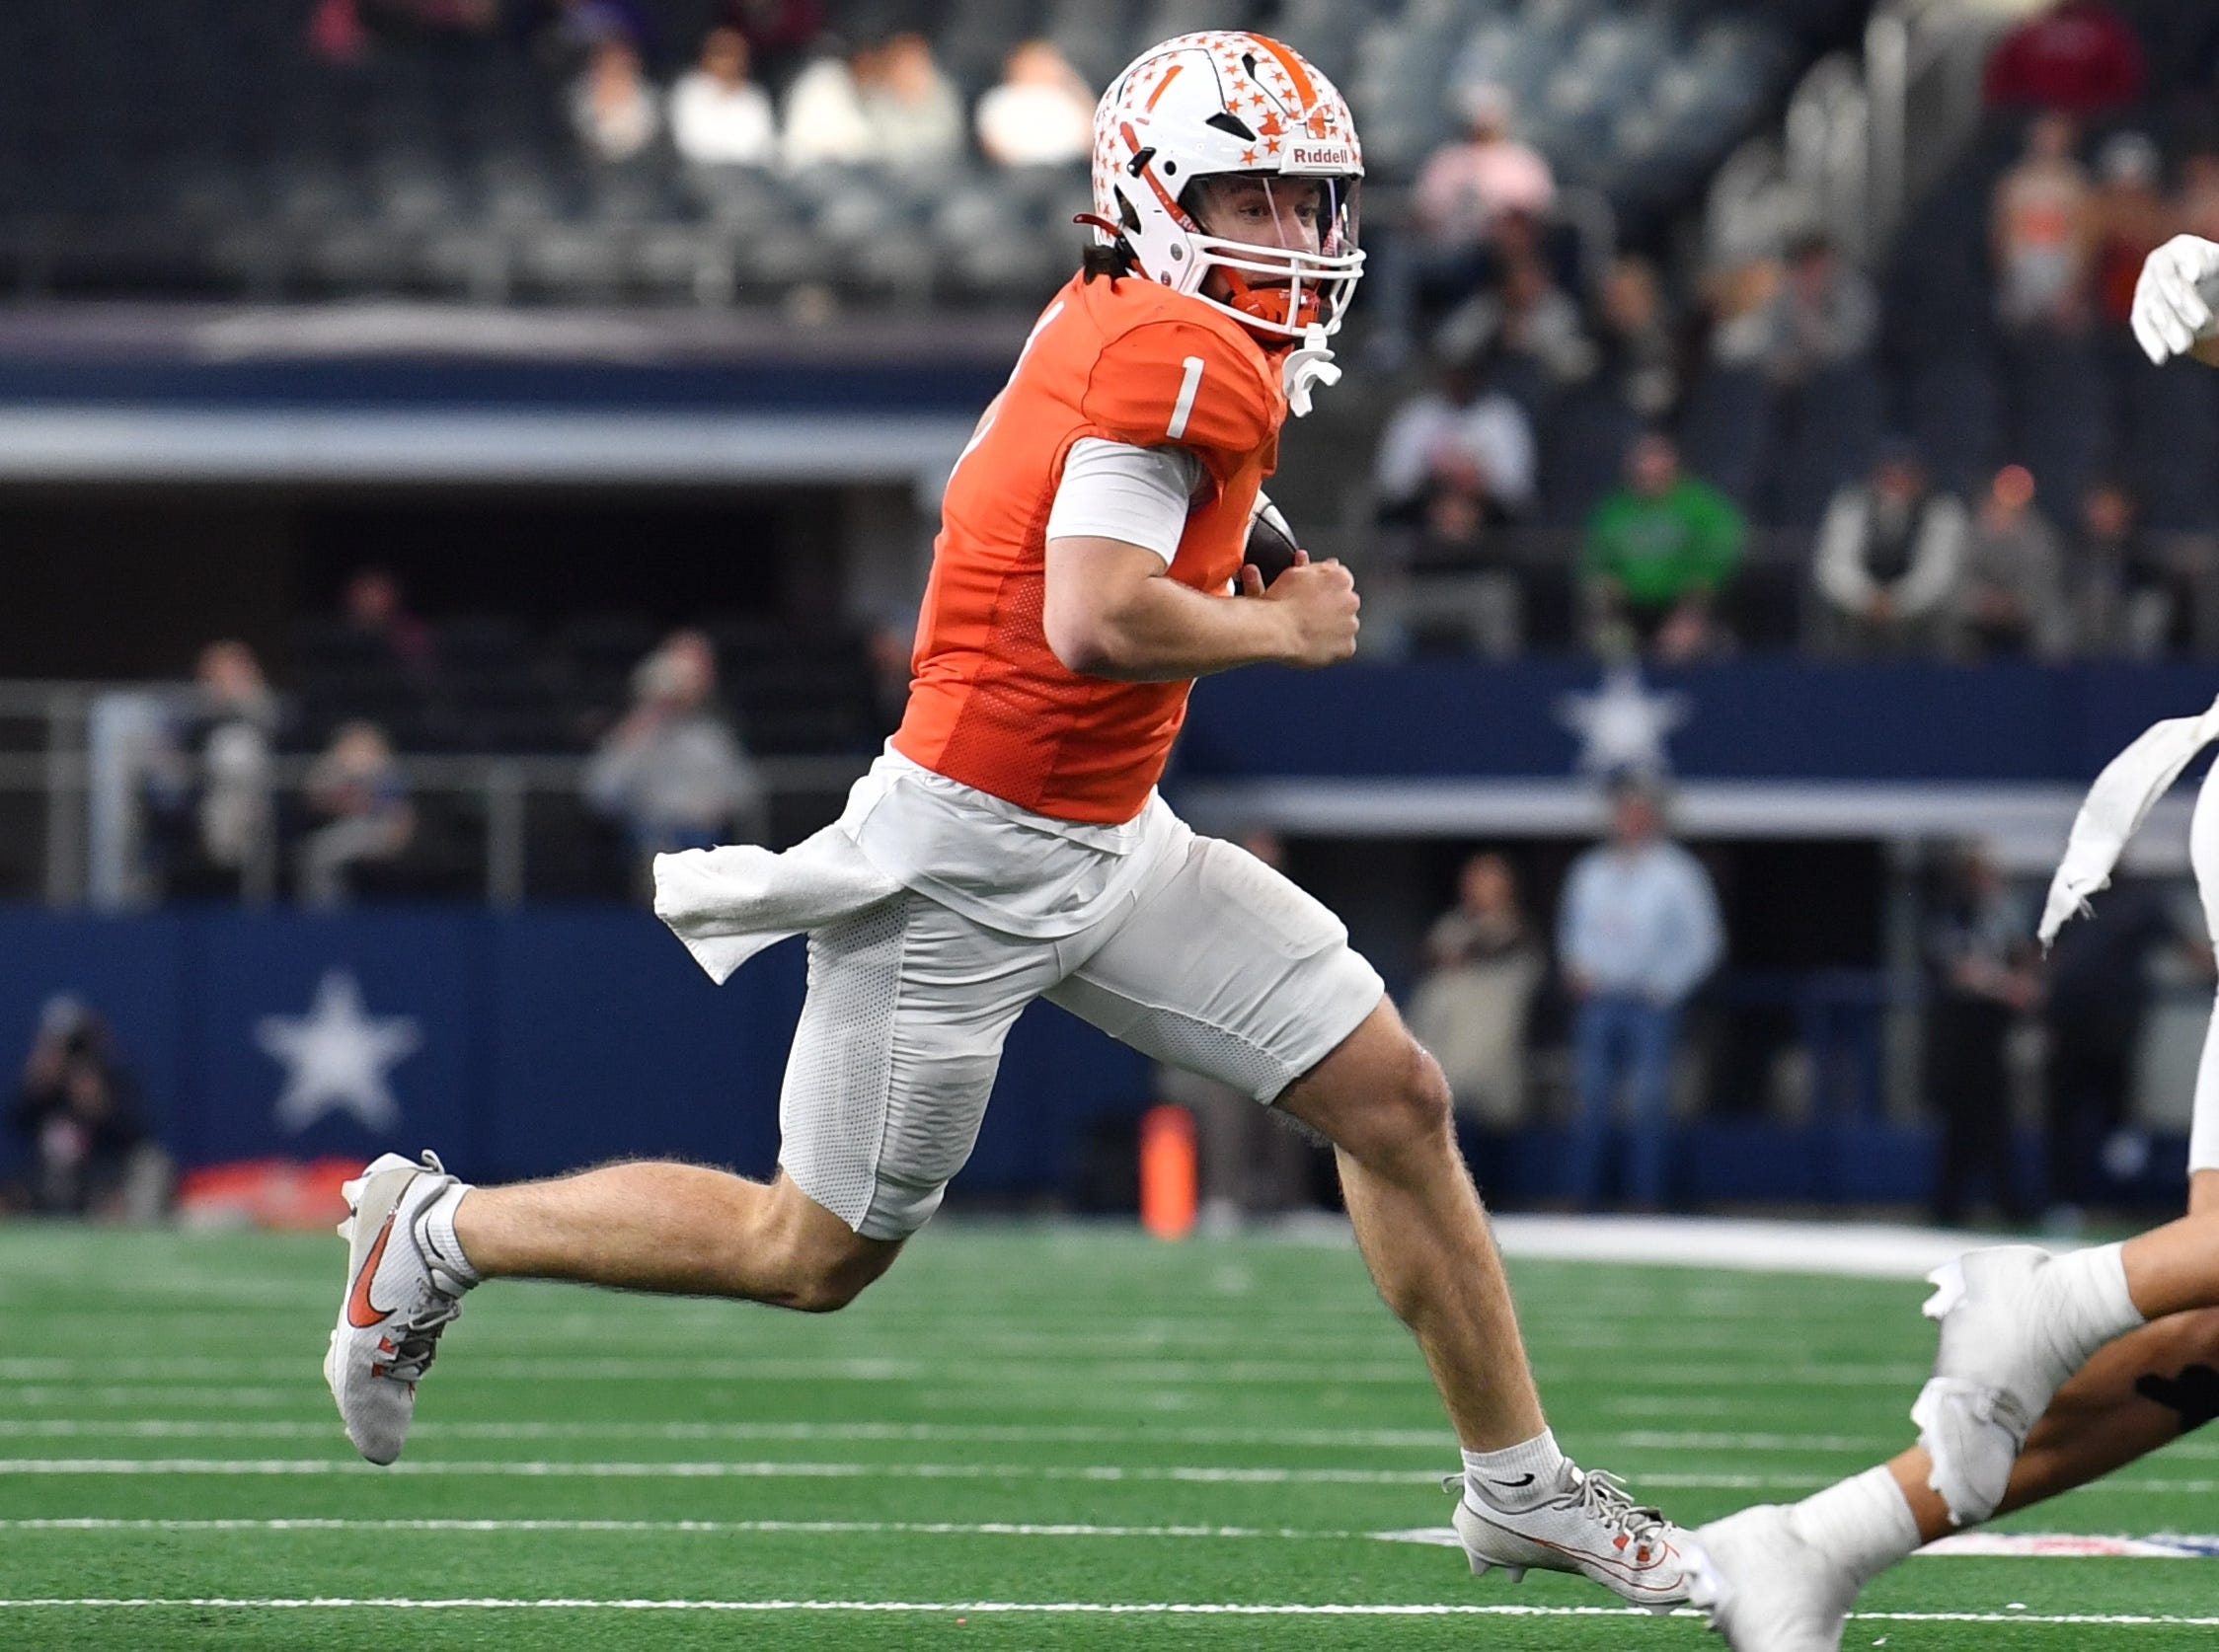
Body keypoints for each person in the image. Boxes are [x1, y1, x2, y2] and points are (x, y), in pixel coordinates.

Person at [318, 31, 1691, 1614]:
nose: (1302, 242)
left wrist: (1242, 539)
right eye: (1257, 198)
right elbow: (1099, 612)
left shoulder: (1133, 316)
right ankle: (438, 1230)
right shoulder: (1179, 352)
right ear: (1157, 200)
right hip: (969, 856)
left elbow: (1098, 513)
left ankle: (1519, 1487)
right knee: (809, 1251)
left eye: (1314, 206)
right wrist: (1282, 627)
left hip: (1107, 832)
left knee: (1394, 1096)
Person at [1557, 777, 1723, 1210]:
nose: (1630, 820)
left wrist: (1668, 985)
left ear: (1653, 817)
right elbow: (1572, 932)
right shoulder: (1590, 870)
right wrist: (1576, 967)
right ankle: (1582, 1198)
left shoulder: (1678, 873)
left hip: (1649, 1003)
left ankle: (1644, 1201)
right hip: (1599, 1000)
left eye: (1638, 812)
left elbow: (1705, 940)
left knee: (1649, 1103)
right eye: (1623, 811)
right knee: (1590, 1099)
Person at [583, 629, 763, 883]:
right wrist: (637, 733)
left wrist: (706, 812)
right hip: (646, 848)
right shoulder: (634, 734)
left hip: (705, 850)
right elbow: (600, 794)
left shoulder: (712, 737)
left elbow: (744, 793)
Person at [1925, 841, 2040, 1229]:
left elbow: (2020, 956)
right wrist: (2008, 987)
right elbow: (1960, 970)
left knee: (1995, 1119)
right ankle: (1948, 1204)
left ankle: (2006, 1201)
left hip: (1991, 1033)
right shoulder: (1953, 915)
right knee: (1961, 1121)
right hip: (1960, 1034)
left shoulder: (2000, 916)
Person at [1409, 852, 1544, 1145]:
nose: (1477, 887)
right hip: (1444, 1050)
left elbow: (1498, 950)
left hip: (1491, 1053)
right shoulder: (1452, 925)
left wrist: (1465, 955)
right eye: (1473, 880)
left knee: (1491, 1138)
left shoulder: (1519, 931)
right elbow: (1430, 957)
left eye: (1487, 880)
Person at [1581, 431, 1746, 662]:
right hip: (1628, 610)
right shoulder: (1614, 509)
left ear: (1673, 462)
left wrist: (1689, 615)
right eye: (1640, 460)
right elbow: (1593, 562)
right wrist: (1607, 605)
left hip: (1691, 608)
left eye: (1654, 459)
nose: (1645, 468)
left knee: (1682, 645)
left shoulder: (1704, 508)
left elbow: (1716, 564)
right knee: (1608, 642)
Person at [7, 997, 170, 1221]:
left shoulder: (112, 1077)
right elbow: (17, 1123)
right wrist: (37, 1084)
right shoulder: (45, 1090)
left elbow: (136, 1133)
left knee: (152, 1166)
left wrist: (98, 1106)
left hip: (109, 1174)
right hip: (54, 1181)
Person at [1810, 441, 1968, 655]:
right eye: (1890, 474)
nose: (1897, 482)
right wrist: (1869, 601)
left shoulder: (1943, 510)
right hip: (1856, 620)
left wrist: (1895, 604)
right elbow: (1833, 567)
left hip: (1921, 627)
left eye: (1906, 474)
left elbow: (1938, 575)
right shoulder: (1851, 505)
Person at [1991, 111, 2094, 335]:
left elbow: (2086, 237)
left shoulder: (2077, 182)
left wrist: (2075, 285)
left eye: (2056, 136)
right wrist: (2011, 277)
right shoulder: (2014, 182)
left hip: (2062, 269)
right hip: (2023, 267)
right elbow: (2001, 235)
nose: (2050, 143)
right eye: (2045, 136)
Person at [1955, 463, 2071, 659]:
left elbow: (2042, 583)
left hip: (2025, 612)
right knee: (1951, 615)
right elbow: (1961, 576)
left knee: (2056, 622)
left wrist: (2015, 605)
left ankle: (2047, 683)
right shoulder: (1973, 530)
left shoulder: (2040, 534)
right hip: (1979, 609)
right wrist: (1984, 601)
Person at [296, 721, 416, 909]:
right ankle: (324, 913)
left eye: (363, 745)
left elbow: (399, 813)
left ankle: (326, 914)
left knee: (320, 854)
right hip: (352, 826)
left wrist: (397, 835)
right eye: (354, 744)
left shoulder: (387, 770)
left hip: (382, 829)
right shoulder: (336, 767)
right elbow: (313, 798)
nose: (358, 751)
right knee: (314, 853)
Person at [1981, 0, 2145, 114]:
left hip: (2090, 123)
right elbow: (1999, 84)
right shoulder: (2029, 32)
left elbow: (2125, 84)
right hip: (2029, 120)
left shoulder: (2107, 32)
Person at [975, 39, 1093, 170]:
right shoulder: (1001, 99)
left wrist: (1074, 84)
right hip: (1016, 173)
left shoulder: (1068, 98)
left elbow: (1091, 140)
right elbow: (991, 146)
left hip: (1070, 172)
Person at [670, 26, 777, 167]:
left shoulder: (754, 96)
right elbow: (691, 146)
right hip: (699, 173)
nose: (730, 60)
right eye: (722, 52)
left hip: (750, 173)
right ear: (705, 56)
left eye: (736, 53)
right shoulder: (688, 91)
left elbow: (763, 147)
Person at [856, 32, 962, 173]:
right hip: (888, 176)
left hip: (939, 173)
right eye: (903, 63)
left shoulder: (943, 92)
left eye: (917, 63)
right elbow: (880, 148)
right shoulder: (877, 97)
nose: (910, 70)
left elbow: (949, 140)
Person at [571, 33, 660, 162]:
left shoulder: (650, 108)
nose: (614, 75)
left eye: (621, 67)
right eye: (608, 66)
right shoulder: (576, 104)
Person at [343, 566, 436, 680]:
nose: (370, 599)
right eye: (365, 591)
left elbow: (423, 676)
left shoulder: (409, 633)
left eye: (377, 592)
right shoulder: (338, 635)